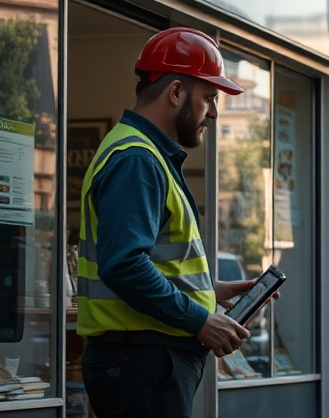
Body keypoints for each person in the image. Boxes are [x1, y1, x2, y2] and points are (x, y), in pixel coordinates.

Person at [77, 27, 274, 418]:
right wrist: (200, 319)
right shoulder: (137, 159)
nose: (214, 113)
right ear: (176, 92)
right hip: (142, 361)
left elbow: (142, 259)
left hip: (142, 361)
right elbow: (124, 264)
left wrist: (208, 290)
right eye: (209, 98)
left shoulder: (142, 153)